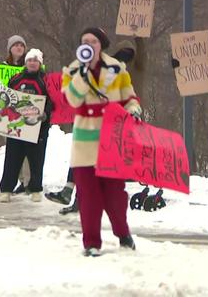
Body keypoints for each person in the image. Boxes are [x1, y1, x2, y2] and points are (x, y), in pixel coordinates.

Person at [62, 27, 141, 257]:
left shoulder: (118, 70)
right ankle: (91, 243)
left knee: (115, 194)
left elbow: (129, 97)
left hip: (112, 140)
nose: (89, 45)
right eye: (85, 41)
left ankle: (123, 233)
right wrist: (83, 75)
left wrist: (134, 109)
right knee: (89, 196)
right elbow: (72, 100)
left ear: (102, 44)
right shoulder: (73, 71)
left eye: (93, 41)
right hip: (84, 142)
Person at [0, 48, 51, 203]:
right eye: (29, 60)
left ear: (40, 63)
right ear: (25, 62)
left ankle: (35, 189)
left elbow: (52, 101)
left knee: (36, 160)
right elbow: (6, 98)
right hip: (17, 127)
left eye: (35, 60)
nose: (32, 63)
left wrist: (45, 113)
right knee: (12, 159)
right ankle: (6, 189)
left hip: (38, 127)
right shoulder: (15, 79)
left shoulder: (46, 81)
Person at [0, 35, 32, 194]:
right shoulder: (1, 69)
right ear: (10, 48)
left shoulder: (30, 66)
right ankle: (19, 180)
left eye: (22, 45)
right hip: (8, 114)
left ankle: (28, 182)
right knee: (13, 151)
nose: (19, 48)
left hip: (25, 113)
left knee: (27, 151)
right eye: (16, 45)